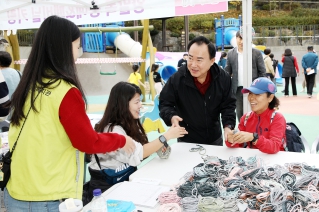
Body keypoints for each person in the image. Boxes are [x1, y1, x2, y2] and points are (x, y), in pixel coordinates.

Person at [4, 16, 136, 212]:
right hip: (49, 197)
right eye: (77, 47)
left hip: (15, 192)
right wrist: (121, 139)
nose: (78, 54)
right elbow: (88, 142)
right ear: (64, 48)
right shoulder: (65, 91)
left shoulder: (28, 85)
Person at [88, 82, 187, 201]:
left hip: (124, 182)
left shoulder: (130, 123)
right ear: (123, 104)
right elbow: (140, 153)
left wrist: (158, 146)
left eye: (140, 101)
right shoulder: (112, 130)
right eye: (136, 102)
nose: (140, 105)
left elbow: (141, 149)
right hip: (106, 188)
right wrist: (166, 137)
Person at [159, 36, 236, 146]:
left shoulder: (223, 78)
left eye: (199, 60)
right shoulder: (177, 79)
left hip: (214, 139)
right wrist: (171, 116)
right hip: (186, 140)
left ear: (212, 61)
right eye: (190, 58)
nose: (193, 64)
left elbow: (228, 105)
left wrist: (228, 127)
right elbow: (165, 103)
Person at [226, 77, 286, 154]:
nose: (251, 98)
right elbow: (238, 144)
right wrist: (231, 140)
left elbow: (274, 146)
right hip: (253, 162)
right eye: (250, 93)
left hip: (274, 162)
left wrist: (254, 138)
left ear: (270, 98)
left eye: (257, 94)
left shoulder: (277, 118)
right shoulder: (245, 118)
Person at [224, 30, 266, 121]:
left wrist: (260, 89)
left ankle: (254, 133)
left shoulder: (256, 53)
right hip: (238, 89)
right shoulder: (231, 53)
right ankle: (242, 131)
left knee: (255, 111)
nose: (242, 41)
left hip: (253, 88)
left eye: (245, 39)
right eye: (240, 38)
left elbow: (262, 72)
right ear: (236, 38)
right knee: (240, 113)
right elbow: (227, 72)